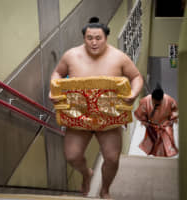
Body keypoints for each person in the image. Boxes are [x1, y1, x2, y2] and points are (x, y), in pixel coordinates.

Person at [49, 16, 143, 199]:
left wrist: (133, 94)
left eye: (98, 38)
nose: (93, 42)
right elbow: (58, 73)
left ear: (106, 37)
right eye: (89, 38)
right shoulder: (71, 55)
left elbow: (136, 77)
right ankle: (87, 174)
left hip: (108, 115)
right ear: (84, 37)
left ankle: (105, 189)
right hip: (78, 114)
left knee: (112, 158)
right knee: (72, 156)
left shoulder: (119, 57)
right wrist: (54, 89)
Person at [134, 84, 178, 157]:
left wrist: (172, 119)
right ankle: (157, 157)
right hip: (152, 125)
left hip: (165, 125)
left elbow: (175, 110)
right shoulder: (145, 101)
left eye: (159, 102)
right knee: (154, 144)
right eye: (155, 102)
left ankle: (163, 157)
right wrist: (144, 122)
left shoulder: (169, 100)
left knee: (165, 144)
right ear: (152, 98)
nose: (157, 104)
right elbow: (139, 113)